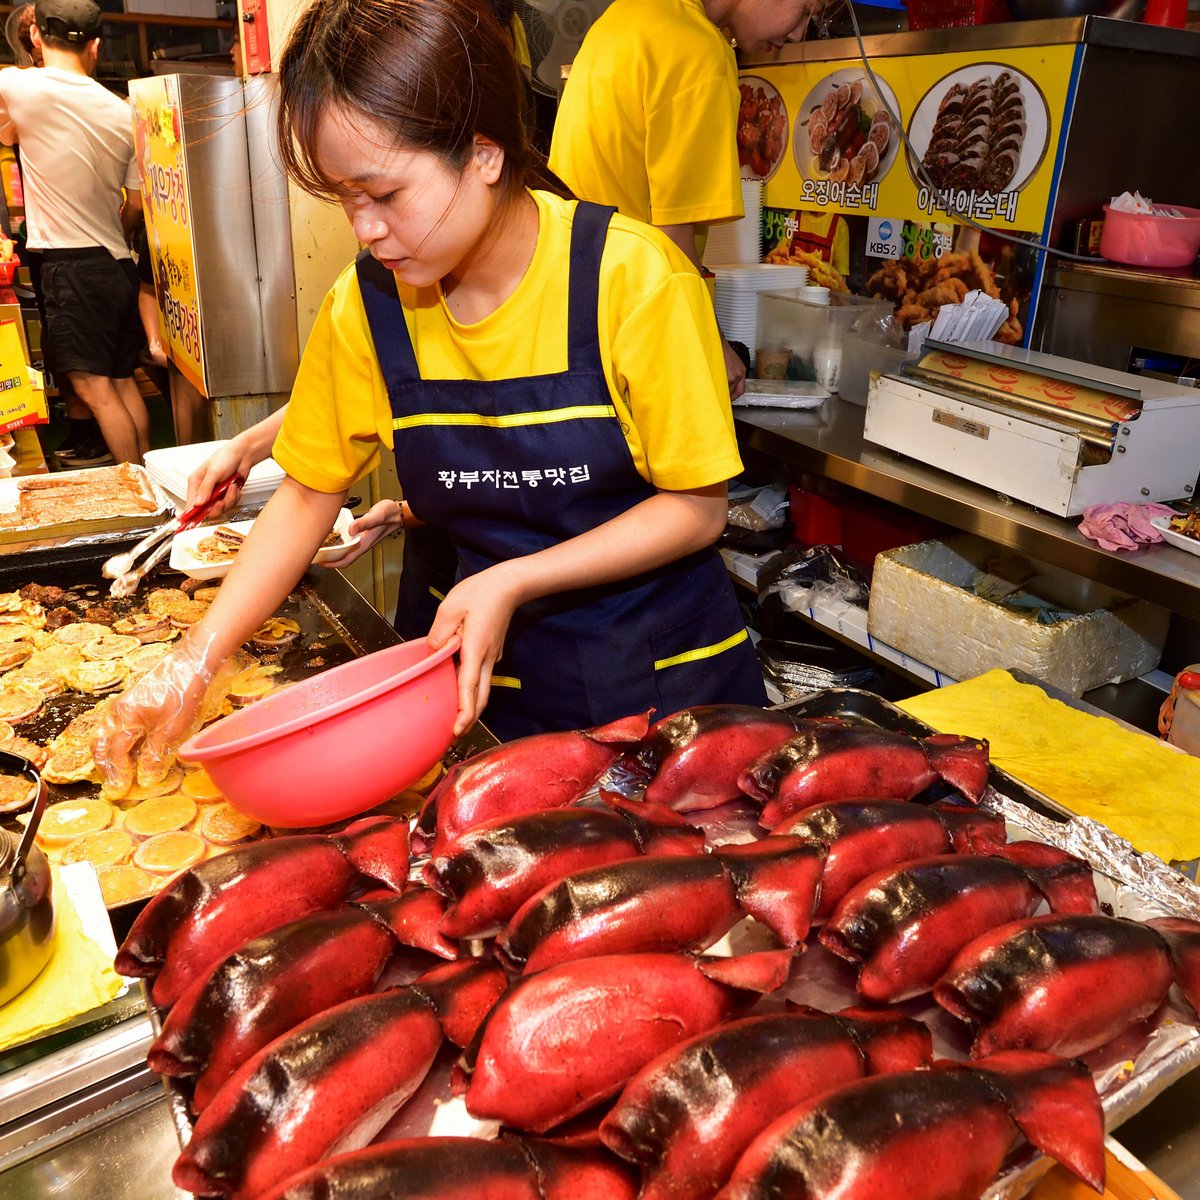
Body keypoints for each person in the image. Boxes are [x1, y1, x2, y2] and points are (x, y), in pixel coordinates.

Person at [93, 0, 765, 790]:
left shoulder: (635, 278)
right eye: (344, 199)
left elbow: (697, 506)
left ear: (483, 154)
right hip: (479, 701)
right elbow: (308, 490)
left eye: (383, 194)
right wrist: (195, 660)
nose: (365, 229)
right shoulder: (367, 305)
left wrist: (515, 577)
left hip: (660, 695)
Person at [548, 0, 818, 401]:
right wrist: (711, 345)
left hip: (568, 320)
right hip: (632, 337)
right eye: (806, 9)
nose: (799, 33)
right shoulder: (698, 48)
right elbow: (672, 236)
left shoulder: (625, 15)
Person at [0, 0, 148, 465]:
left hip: (70, 265)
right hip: (116, 263)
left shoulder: (19, 85)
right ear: (97, 46)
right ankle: (153, 486)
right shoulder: (123, 111)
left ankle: (139, 499)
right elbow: (138, 204)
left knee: (93, 388)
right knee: (122, 380)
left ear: (38, 39)